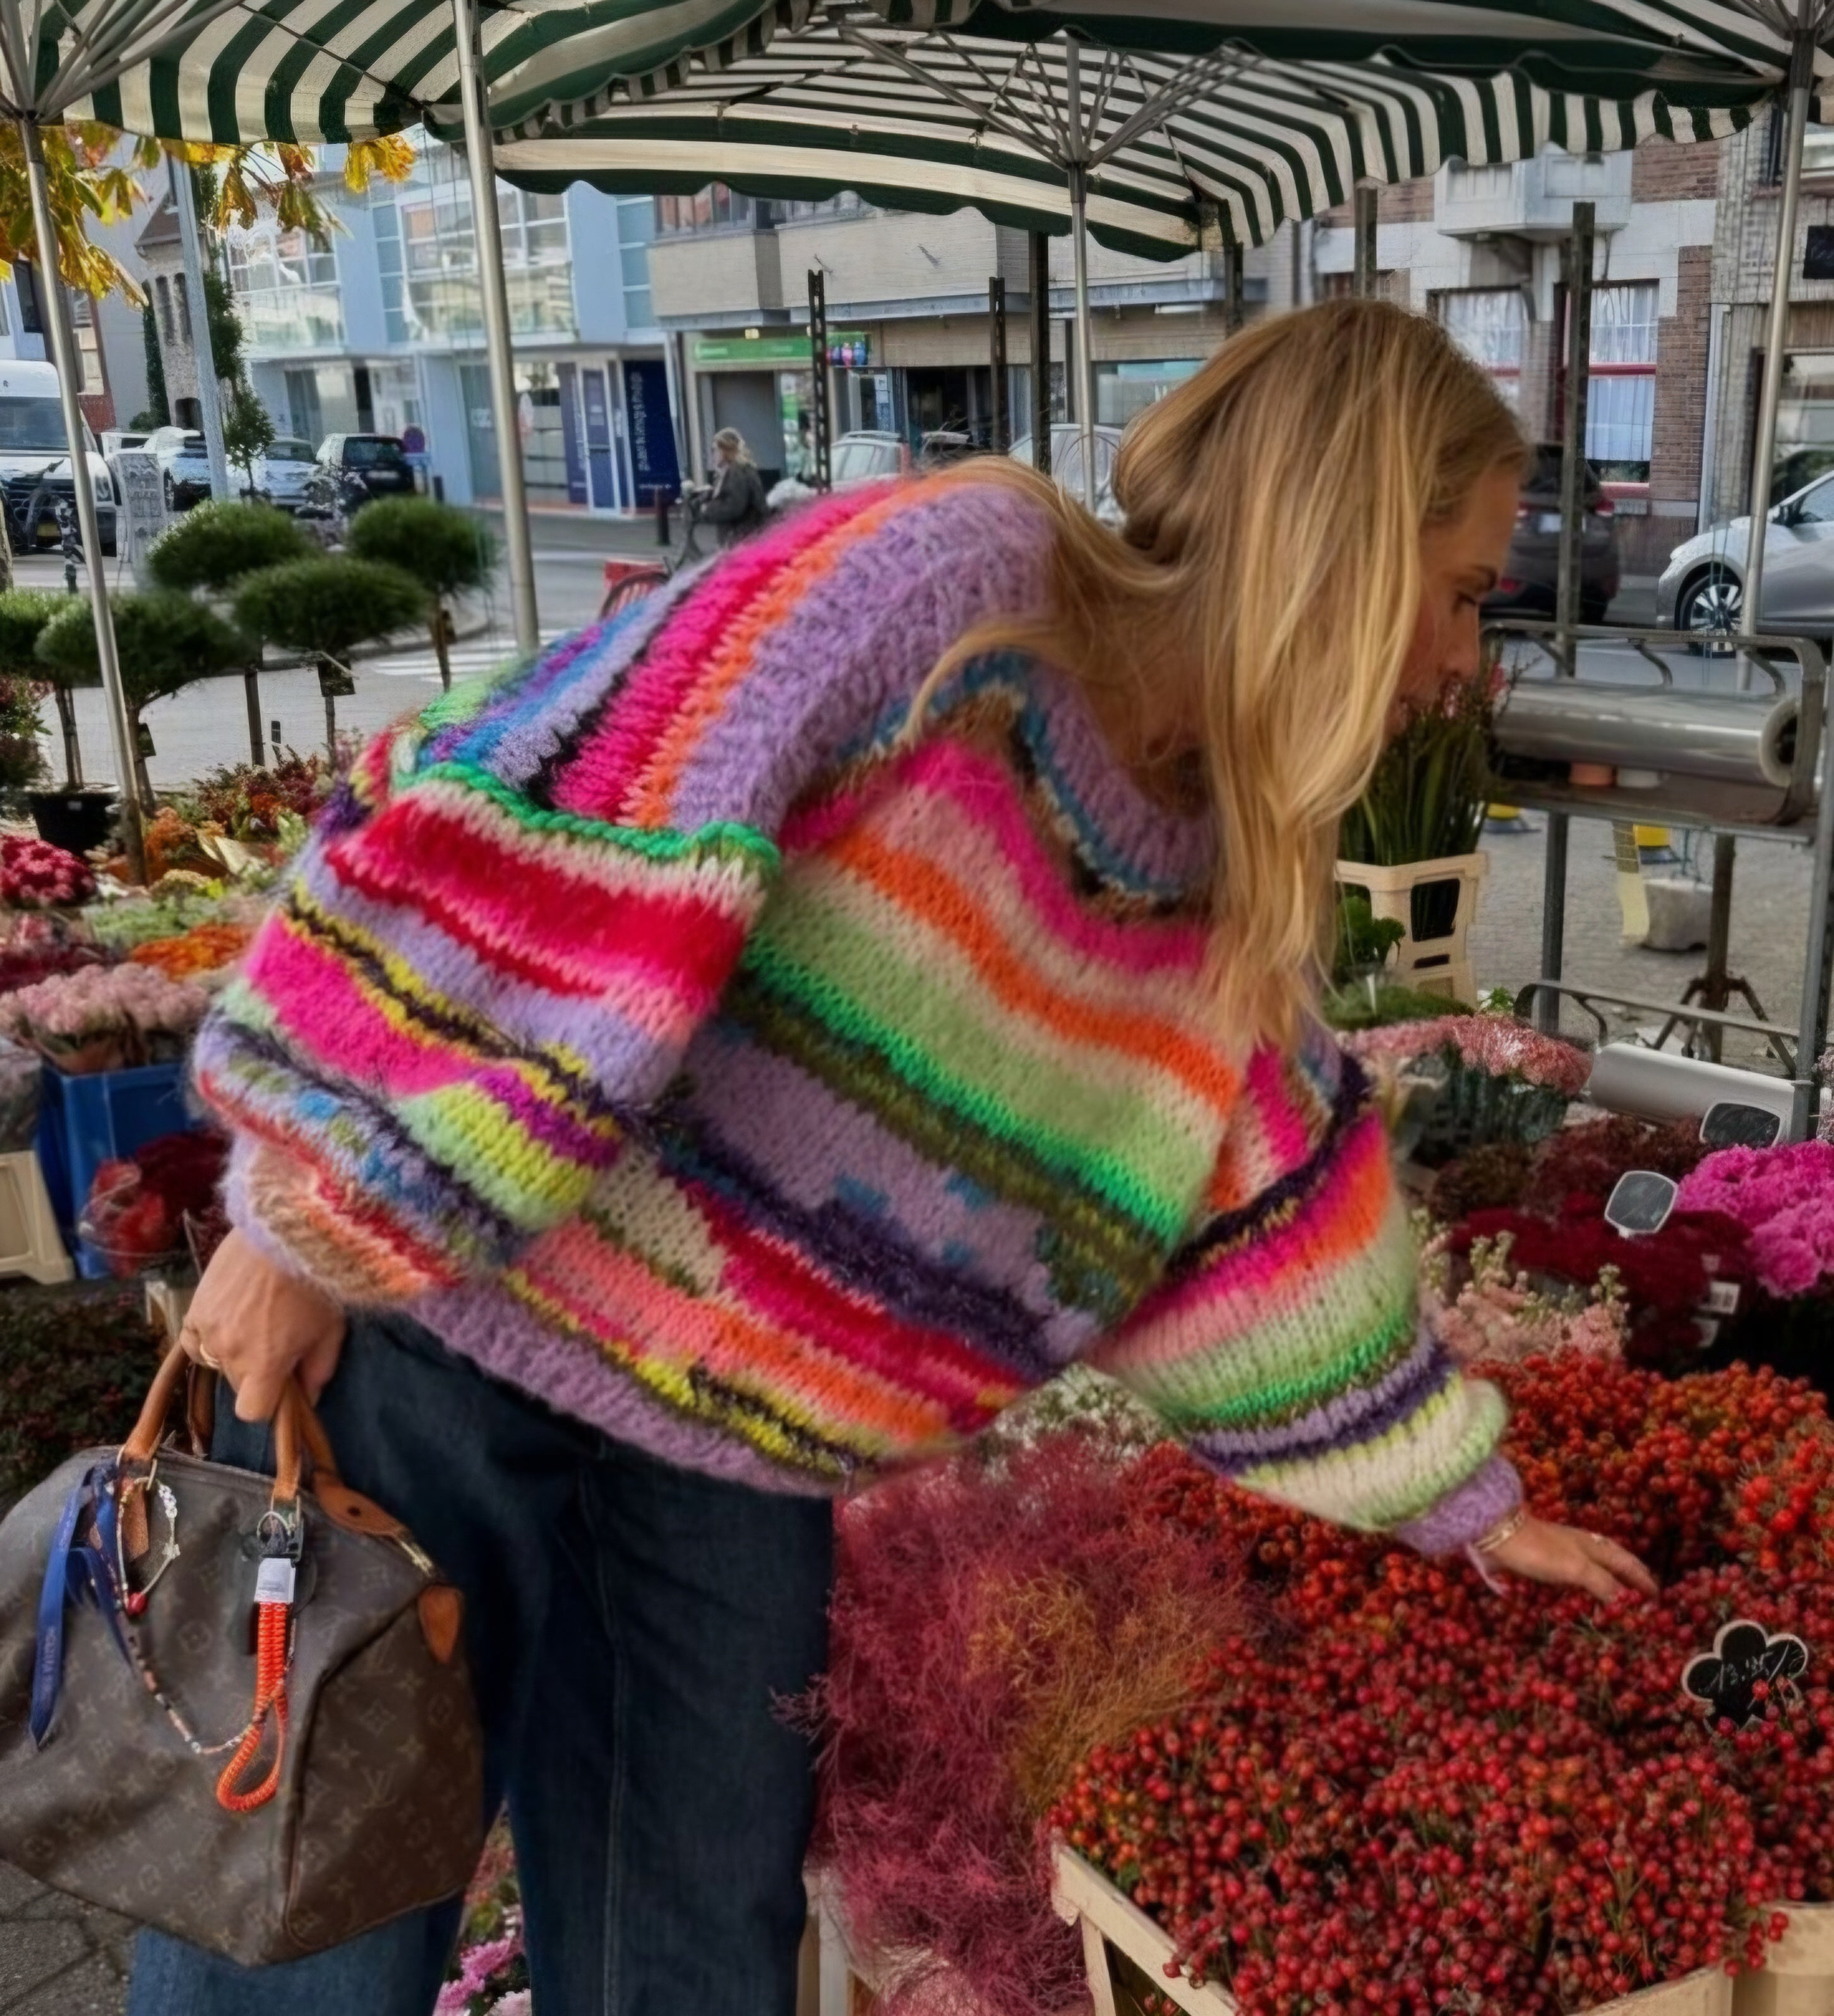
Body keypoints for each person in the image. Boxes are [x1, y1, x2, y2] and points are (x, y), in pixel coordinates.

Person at [133, 299, 1653, 2016]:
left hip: (730, 1460)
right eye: (1461, 591)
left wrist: (1461, 1494)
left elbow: (1265, 1226)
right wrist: (290, 1221)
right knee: (305, 1928)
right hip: (455, 1340)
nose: (1468, 659)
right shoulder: (961, 588)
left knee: (693, 1958)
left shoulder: (1223, 881)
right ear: (1350, 542)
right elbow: (551, 818)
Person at [697, 424, 769, 545]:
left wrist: (708, 510)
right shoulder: (732, 470)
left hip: (742, 537)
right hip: (742, 535)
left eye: (715, 450)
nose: (713, 455)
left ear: (725, 451)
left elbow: (734, 507)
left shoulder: (738, 472)